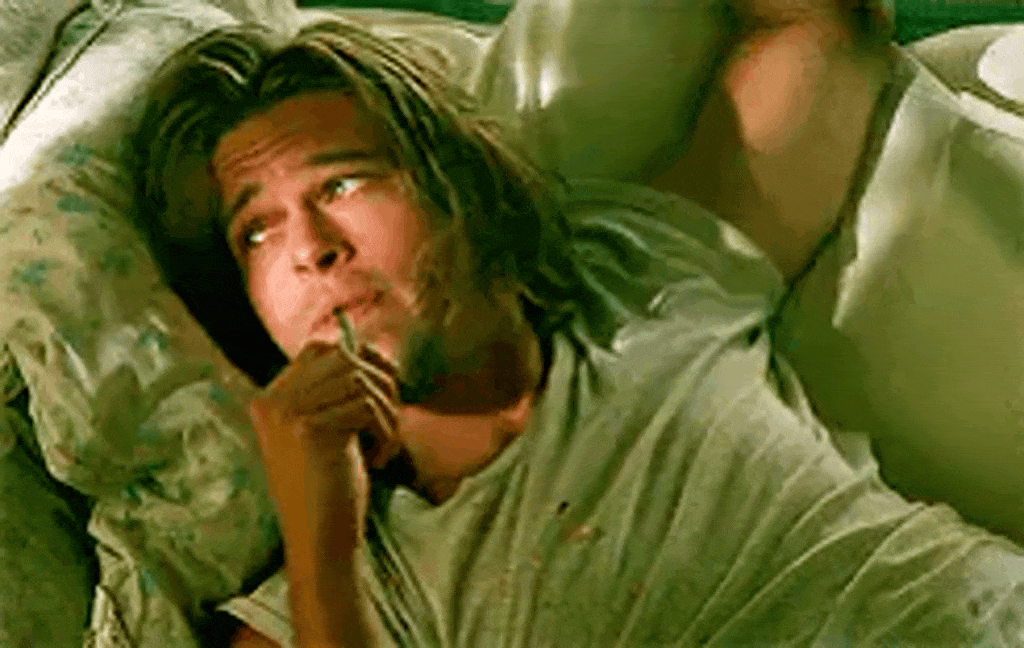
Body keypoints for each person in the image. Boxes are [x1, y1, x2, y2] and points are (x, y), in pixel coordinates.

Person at [132, 8, 1024, 648]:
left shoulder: (634, 269)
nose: (309, 249)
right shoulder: (339, 591)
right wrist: (319, 543)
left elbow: (823, 31)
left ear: (454, 188)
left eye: (342, 184)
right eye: (257, 231)